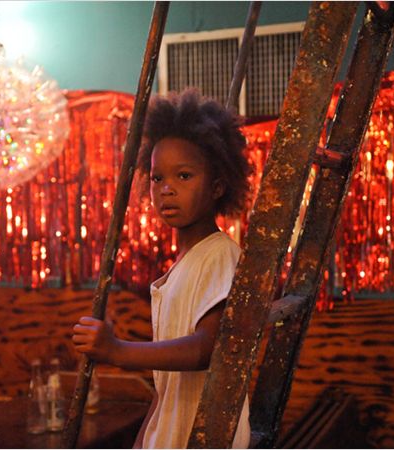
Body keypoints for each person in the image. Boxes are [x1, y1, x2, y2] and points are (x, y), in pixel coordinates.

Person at [71, 88, 253, 449]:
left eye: (184, 176)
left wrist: (117, 350)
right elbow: (165, 388)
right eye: (158, 178)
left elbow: (208, 348)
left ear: (218, 186)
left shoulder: (218, 254)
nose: (167, 189)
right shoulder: (183, 265)